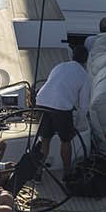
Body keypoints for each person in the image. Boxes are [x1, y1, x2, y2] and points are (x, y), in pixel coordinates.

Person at [33, 45, 91, 181]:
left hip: (41, 102)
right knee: (66, 140)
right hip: (61, 107)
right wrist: (75, 126)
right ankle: (67, 173)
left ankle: (37, 173)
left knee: (45, 140)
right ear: (86, 61)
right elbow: (83, 106)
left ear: (72, 56)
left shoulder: (59, 66)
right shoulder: (84, 75)